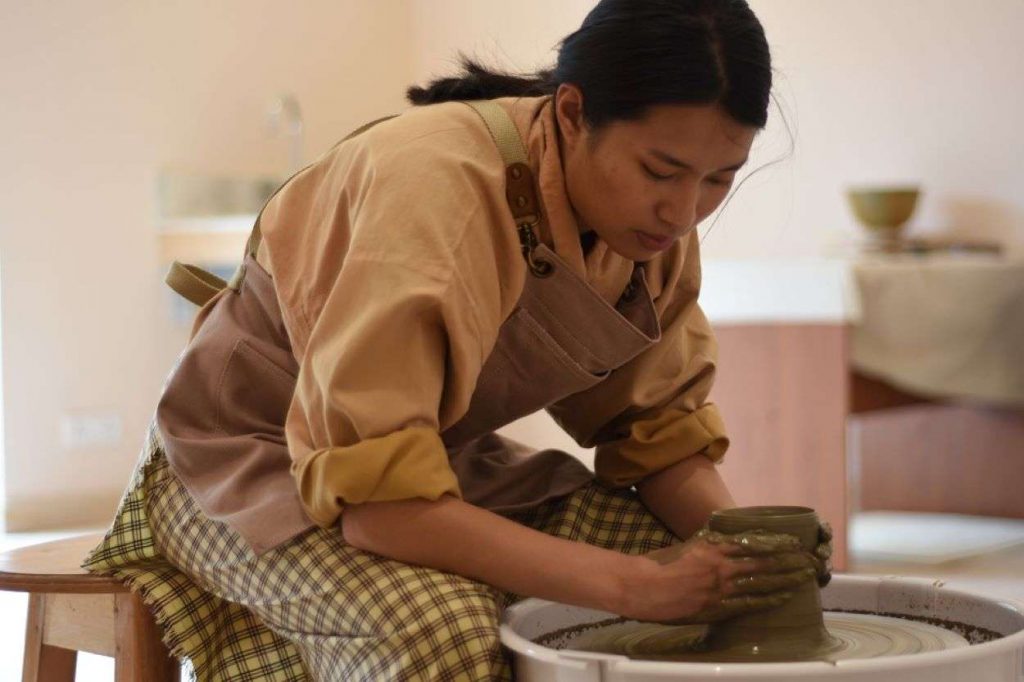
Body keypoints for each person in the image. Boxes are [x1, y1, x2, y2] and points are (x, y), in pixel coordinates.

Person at [84, 0, 830, 680]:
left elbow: (658, 436)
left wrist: (751, 558)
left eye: (717, 180)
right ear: (572, 113)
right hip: (242, 465)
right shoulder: (432, 189)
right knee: (441, 631)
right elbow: (382, 507)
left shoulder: (649, 227)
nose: (683, 211)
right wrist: (632, 587)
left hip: (434, 464)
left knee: (679, 567)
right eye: (661, 170)